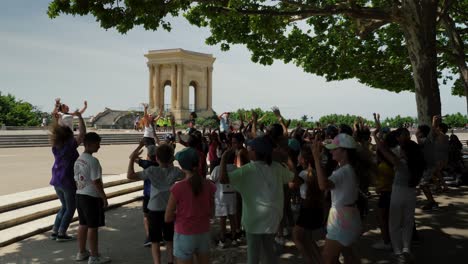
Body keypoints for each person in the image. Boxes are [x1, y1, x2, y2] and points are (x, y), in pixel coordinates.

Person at [219, 136, 294, 264]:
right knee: (269, 252)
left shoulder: (247, 170)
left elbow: (223, 179)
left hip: (253, 221)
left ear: (256, 152)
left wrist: (224, 158)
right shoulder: (276, 167)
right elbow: (293, 177)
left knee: (253, 256)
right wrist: (287, 158)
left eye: (250, 149)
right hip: (272, 218)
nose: (247, 150)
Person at [373, 114, 425, 264]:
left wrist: (375, 134)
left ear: (405, 152)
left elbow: (382, 149)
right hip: (411, 193)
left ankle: (398, 252)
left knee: (394, 224)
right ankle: (407, 249)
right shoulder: (417, 165)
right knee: (408, 222)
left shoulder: (400, 163)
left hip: (397, 193)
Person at [128, 142, 183, 264]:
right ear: (171, 158)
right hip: (169, 209)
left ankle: (157, 262)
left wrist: (132, 159)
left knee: (155, 241)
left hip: (154, 209)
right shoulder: (175, 171)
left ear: (156, 158)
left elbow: (130, 175)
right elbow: (188, 175)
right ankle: (170, 261)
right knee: (170, 239)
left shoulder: (151, 170)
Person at [312, 133, 363, 264]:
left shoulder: (342, 171)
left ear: (344, 151)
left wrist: (316, 159)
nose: (331, 151)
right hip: (348, 217)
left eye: (335, 149)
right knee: (349, 257)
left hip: (341, 220)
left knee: (327, 259)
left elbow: (323, 185)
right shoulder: (349, 169)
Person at [165, 147, 216, 264]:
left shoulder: (177, 188)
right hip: (203, 232)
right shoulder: (209, 185)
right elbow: (212, 212)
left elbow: (167, 217)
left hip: (184, 234)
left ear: (182, 167)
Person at [49, 110, 86, 242]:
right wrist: (80, 117)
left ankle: (55, 230)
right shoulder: (70, 146)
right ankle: (61, 233)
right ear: (69, 136)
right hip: (67, 180)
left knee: (64, 206)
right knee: (70, 208)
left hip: (56, 179)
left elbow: (56, 132)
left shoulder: (56, 146)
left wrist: (56, 120)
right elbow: (82, 134)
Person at [74, 132, 110, 264]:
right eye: (97, 144)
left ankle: (82, 252)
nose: (99, 146)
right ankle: (94, 256)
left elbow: (76, 179)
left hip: (80, 194)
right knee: (93, 226)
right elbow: (96, 182)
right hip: (91, 197)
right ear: (89, 144)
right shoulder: (93, 161)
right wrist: (104, 197)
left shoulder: (78, 160)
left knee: (83, 224)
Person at [293, 145, 324, 264]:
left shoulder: (303, 174)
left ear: (303, 159)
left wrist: (290, 164)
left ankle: (310, 261)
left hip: (307, 209)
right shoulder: (314, 172)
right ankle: (320, 261)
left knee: (296, 237)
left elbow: (292, 185)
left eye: (299, 155)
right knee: (308, 239)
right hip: (315, 208)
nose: (297, 157)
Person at [131, 143, 159, 247]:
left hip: (148, 193)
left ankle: (149, 237)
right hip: (158, 194)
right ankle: (159, 235)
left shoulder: (146, 164)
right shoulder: (161, 164)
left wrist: (139, 146)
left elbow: (131, 157)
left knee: (147, 216)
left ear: (148, 155)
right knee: (158, 215)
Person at [209, 150, 238, 248]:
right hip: (232, 196)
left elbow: (211, 181)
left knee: (222, 218)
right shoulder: (235, 168)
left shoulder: (218, 169)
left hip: (221, 197)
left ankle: (223, 239)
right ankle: (234, 238)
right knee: (232, 217)